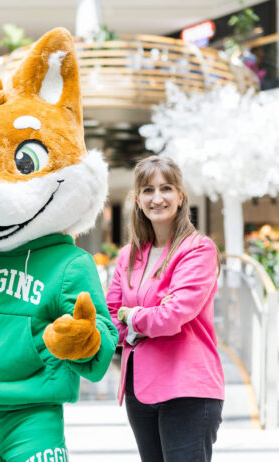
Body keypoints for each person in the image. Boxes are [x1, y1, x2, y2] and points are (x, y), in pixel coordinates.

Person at [106, 155, 224, 462]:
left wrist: (131, 316)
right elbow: (109, 319)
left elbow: (172, 316)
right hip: (139, 390)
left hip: (187, 389)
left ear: (180, 196)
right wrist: (138, 322)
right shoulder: (128, 255)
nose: (157, 198)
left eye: (166, 188)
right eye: (148, 190)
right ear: (137, 199)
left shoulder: (197, 249)